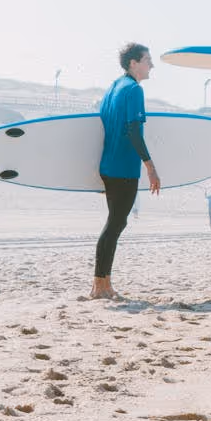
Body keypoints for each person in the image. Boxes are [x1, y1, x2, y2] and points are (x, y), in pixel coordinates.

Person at [90, 43, 160, 300]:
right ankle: (100, 285)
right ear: (134, 63)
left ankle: (104, 284)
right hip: (124, 167)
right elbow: (133, 131)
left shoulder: (113, 88)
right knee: (115, 224)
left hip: (109, 165)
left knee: (115, 222)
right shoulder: (134, 90)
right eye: (147, 60)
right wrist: (150, 167)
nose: (151, 65)